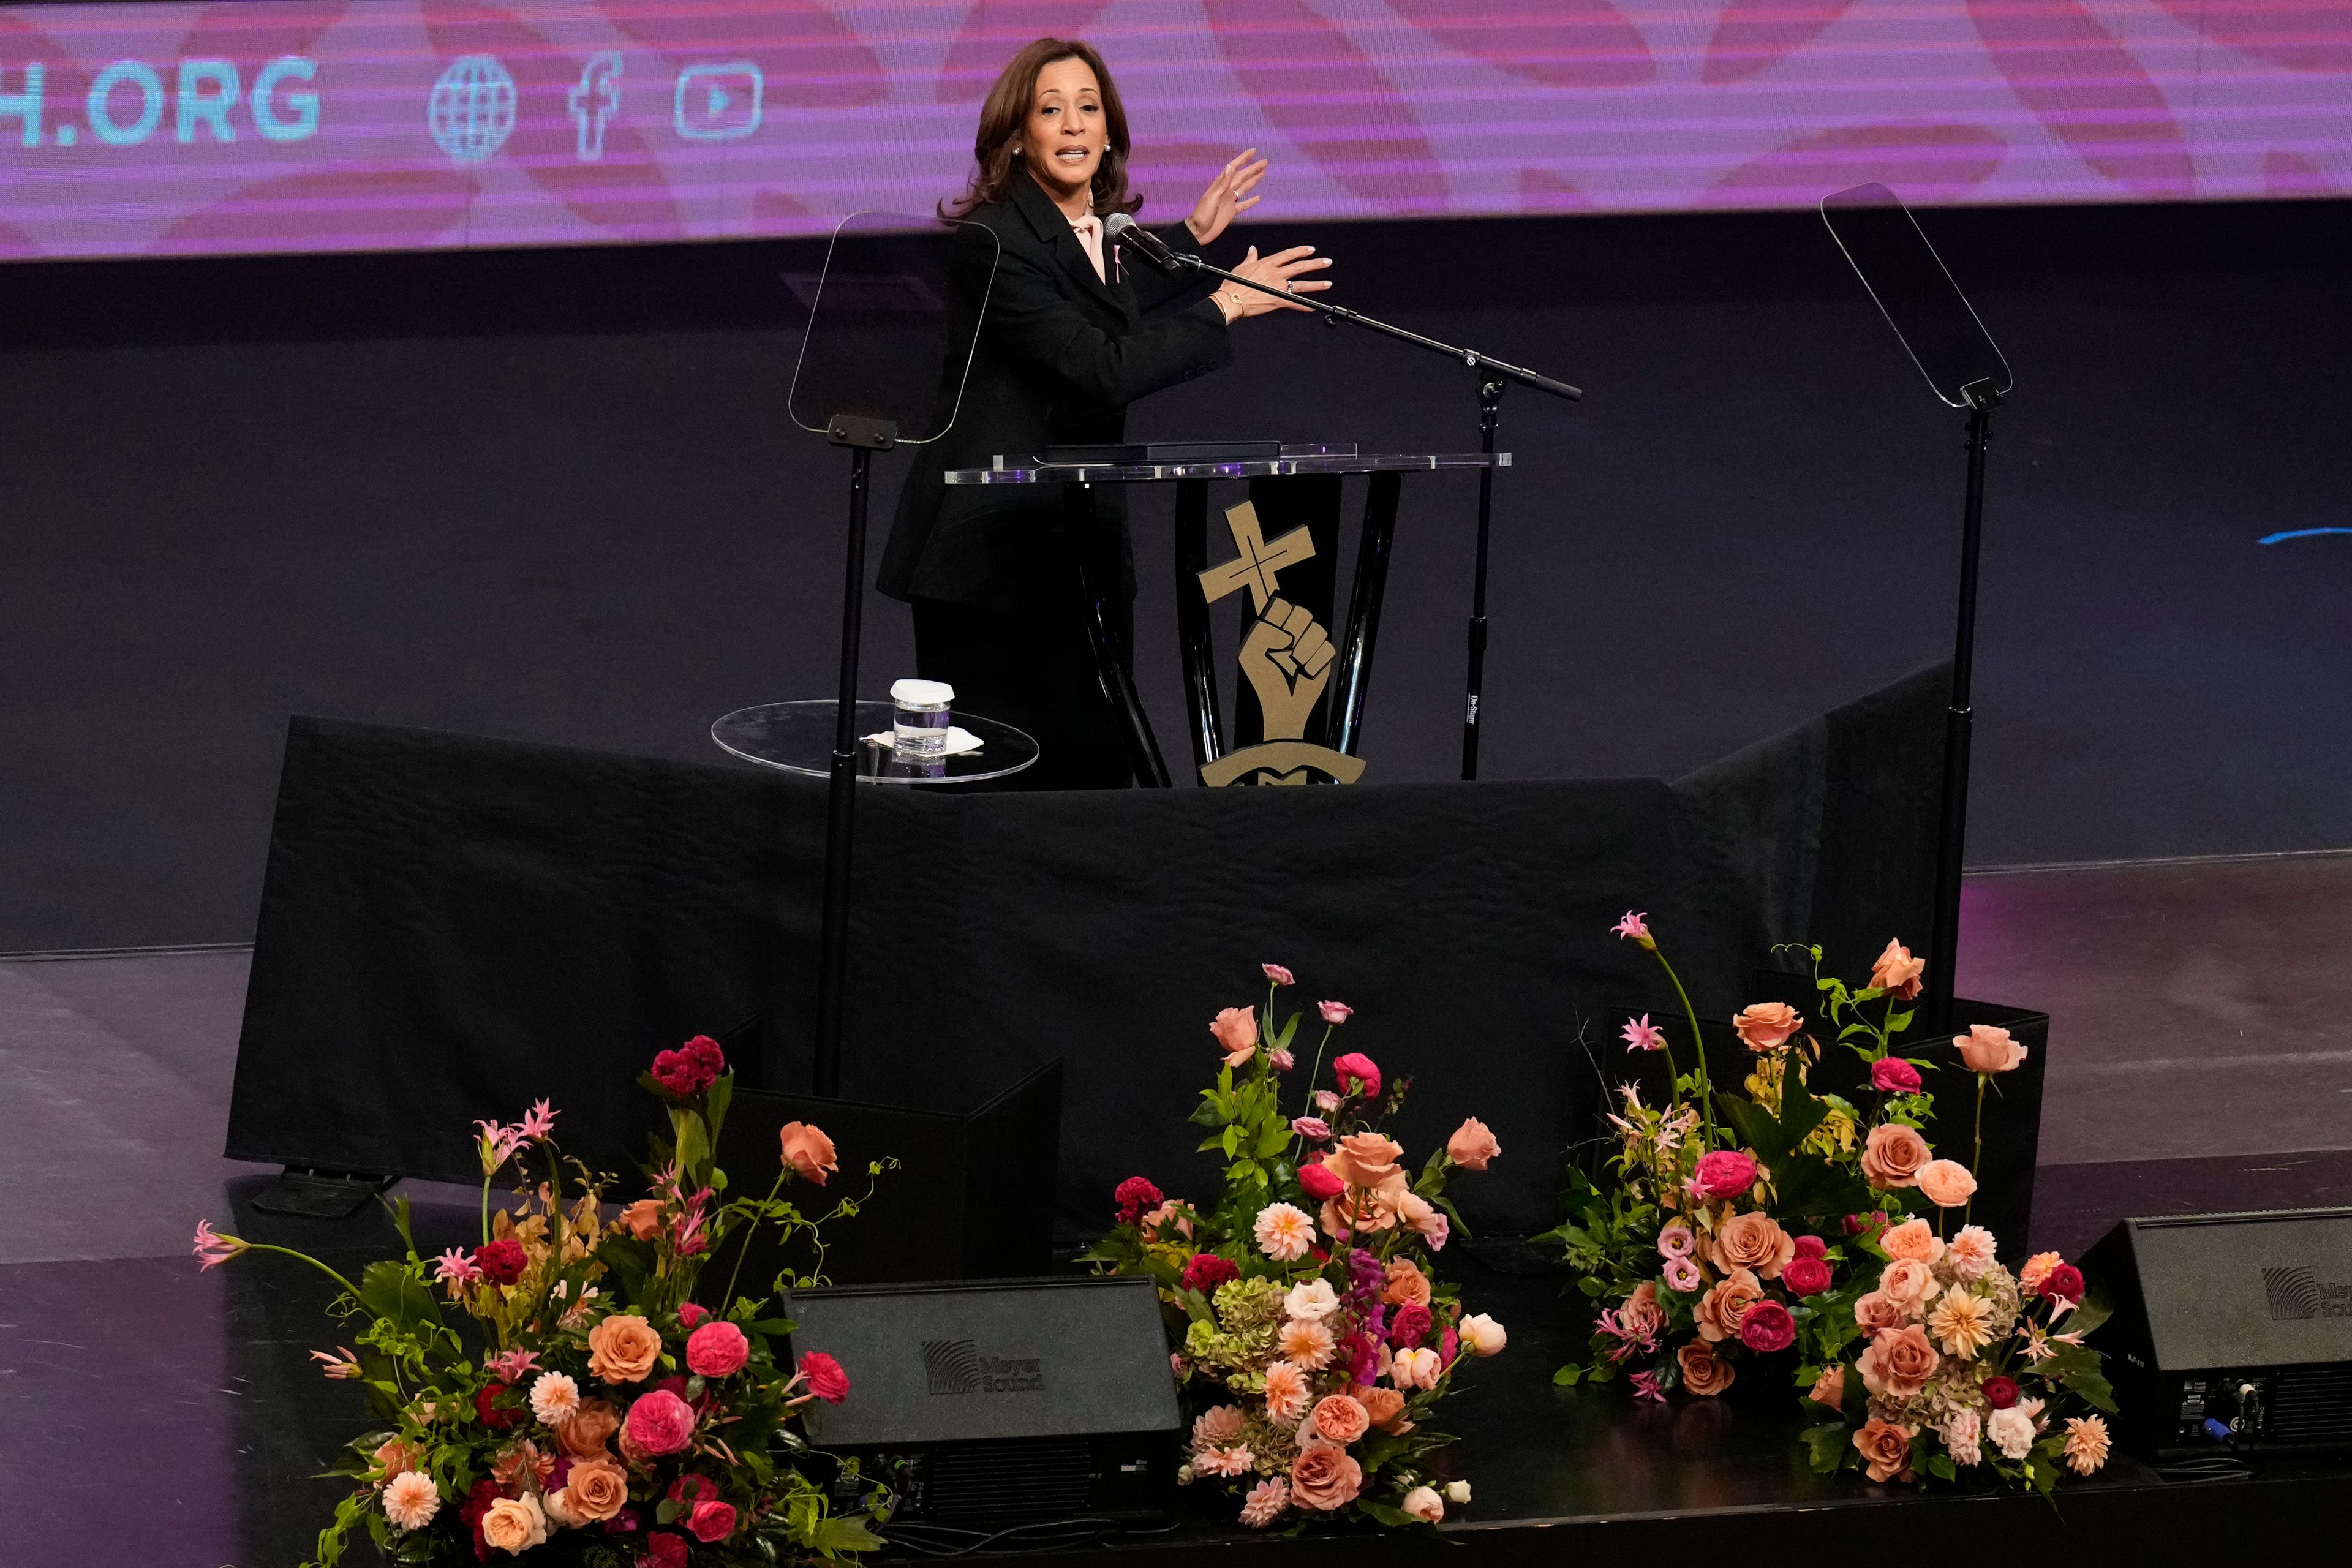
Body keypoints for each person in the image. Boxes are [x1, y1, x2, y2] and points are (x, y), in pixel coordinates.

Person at [877, 37, 1332, 790]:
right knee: (1002, 784)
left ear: (1111, 130)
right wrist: (1225, 302)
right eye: (1050, 110)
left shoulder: (1095, 235)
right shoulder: (994, 240)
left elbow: (1106, 295)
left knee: (1092, 775)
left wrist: (1194, 240)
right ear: (1018, 136)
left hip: (1067, 553)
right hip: (987, 564)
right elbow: (1099, 365)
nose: (1073, 125)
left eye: (1088, 108)